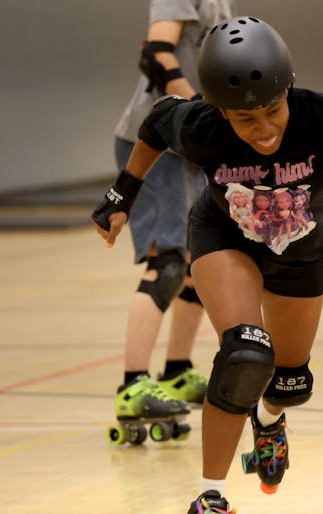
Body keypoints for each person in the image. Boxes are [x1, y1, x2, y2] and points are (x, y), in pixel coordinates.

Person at [92, 16, 323, 514]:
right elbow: (154, 123)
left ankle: (268, 419)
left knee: (289, 383)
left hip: (301, 251)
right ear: (220, 111)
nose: (264, 131)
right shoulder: (199, 125)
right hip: (224, 239)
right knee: (245, 355)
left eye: (272, 111)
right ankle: (209, 499)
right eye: (246, 121)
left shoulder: (322, 118)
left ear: (287, 91)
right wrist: (122, 195)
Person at [108, 0, 236, 443]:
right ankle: (132, 384)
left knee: (198, 262)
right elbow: (157, 53)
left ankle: (177, 371)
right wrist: (197, 111)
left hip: (191, 144)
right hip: (158, 140)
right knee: (166, 264)